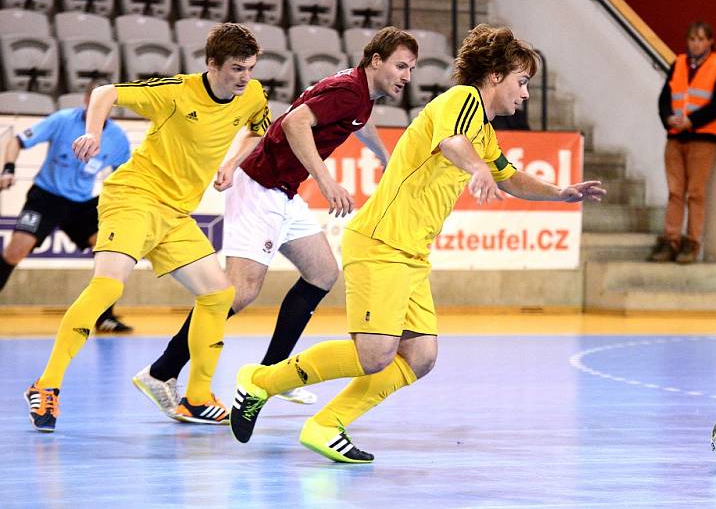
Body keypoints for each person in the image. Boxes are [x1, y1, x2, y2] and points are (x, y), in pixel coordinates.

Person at [228, 24, 606, 463]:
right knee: (374, 353)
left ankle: (326, 425)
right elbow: (451, 143)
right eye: (521, 82)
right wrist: (476, 170)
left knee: (421, 355)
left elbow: (510, 176)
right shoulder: (460, 101)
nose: (524, 94)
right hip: (380, 242)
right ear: (496, 76)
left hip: (410, 254)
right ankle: (260, 380)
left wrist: (560, 192)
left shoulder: (483, 131)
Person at [131, 26, 418, 419]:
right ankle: (161, 372)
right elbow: (294, 123)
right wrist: (325, 179)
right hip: (260, 186)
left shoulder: (360, 95)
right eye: (401, 66)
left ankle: (271, 375)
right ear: (376, 61)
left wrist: (384, 157)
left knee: (321, 273)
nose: (406, 76)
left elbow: (357, 122)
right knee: (239, 292)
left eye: (411, 69)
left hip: (283, 190)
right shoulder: (349, 90)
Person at [24, 23, 271, 432]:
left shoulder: (253, 94)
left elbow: (259, 129)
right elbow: (106, 93)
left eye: (249, 67)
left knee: (218, 294)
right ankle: (46, 385)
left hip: (175, 214)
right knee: (108, 287)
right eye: (235, 68)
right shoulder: (175, 91)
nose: (245, 77)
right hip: (135, 196)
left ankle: (195, 397)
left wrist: (232, 164)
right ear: (212, 64)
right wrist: (93, 132)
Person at [0, 83, 133, 332]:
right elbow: (16, 141)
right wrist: (8, 169)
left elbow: (125, 175)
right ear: (85, 102)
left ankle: (104, 317)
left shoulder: (117, 139)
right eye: (91, 102)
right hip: (47, 196)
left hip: (82, 202)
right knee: (15, 251)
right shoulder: (62, 120)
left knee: (110, 249)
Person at [649, 20, 716, 264]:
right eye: (692, 39)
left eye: (701, 39)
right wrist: (668, 119)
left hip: (702, 137)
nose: (696, 44)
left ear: (709, 41)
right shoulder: (678, 63)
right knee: (675, 191)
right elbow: (665, 98)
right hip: (676, 137)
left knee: (695, 192)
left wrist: (692, 121)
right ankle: (671, 239)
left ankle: (692, 242)